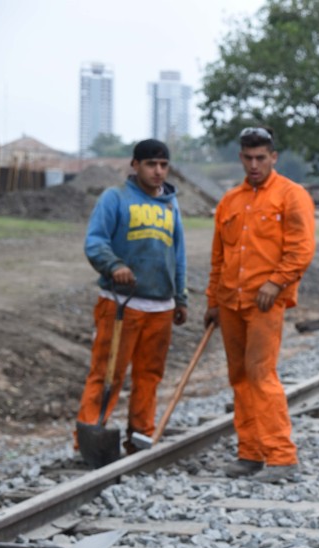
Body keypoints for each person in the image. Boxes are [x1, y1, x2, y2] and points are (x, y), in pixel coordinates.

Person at [204, 126, 316, 483]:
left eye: (261, 158)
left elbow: (301, 248)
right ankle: (249, 452)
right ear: (241, 158)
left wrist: (277, 281)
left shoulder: (291, 195)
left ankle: (282, 456)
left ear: (273, 157)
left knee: (260, 374)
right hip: (230, 301)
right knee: (239, 377)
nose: (254, 165)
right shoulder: (230, 201)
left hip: (265, 303)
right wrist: (212, 301)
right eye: (248, 158)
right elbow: (218, 257)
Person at [77, 139, 188, 453]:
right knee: (107, 372)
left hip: (161, 305)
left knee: (150, 374)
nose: (158, 171)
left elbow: (178, 254)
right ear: (135, 165)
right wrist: (114, 266)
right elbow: (95, 242)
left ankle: (140, 435)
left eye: (163, 165)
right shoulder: (116, 198)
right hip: (120, 303)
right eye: (151, 164)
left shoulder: (170, 204)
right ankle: (89, 436)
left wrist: (180, 297)